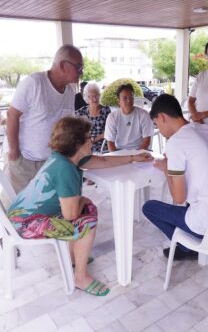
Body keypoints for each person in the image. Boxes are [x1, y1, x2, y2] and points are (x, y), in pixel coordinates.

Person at [7, 116, 153, 296]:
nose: (92, 140)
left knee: (85, 210)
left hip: (18, 214)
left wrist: (133, 158)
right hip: (25, 223)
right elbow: (70, 214)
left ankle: (73, 258)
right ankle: (80, 277)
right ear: (77, 143)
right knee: (87, 218)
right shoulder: (65, 169)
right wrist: (84, 200)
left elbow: (104, 162)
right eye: (88, 137)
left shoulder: (67, 157)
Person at [142, 94, 208, 260]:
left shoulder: (176, 143)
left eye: (156, 124)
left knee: (149, 208)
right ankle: (189, 242)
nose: (160, 131)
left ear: (162, 117)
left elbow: (178, 198)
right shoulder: (207, 129)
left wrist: (167, 170)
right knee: (190, 201)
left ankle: (187, 247)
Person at [4, 44, 83, 194]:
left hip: (50, 161)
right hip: (24, 161)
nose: (81, 72)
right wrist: (14, 153)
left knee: (43, 206)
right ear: (62, 65)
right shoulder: (34, 83)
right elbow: (11, 115)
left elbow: (65, 126)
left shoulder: (70, 92)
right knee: (20, 208)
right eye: (78, 67)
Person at [104, 83, 154, 151]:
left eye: (131, 97)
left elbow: (147, 140)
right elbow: (110, 142)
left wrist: (136, 156)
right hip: (119, 151)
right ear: (119, 101)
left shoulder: (143, 115)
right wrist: (115, 157)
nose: (129, 100)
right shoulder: (112, 117)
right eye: (125, 98)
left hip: (139, 151)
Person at [76, 82, 111, 153]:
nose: (95, 99)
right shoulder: (80, 113)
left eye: (97, 95)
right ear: (87, 98)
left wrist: (93, 139)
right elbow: (76, 132)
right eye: (92, 96)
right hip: (85, 146)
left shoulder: (106, 110)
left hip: (102, 146)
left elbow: (109, 131)